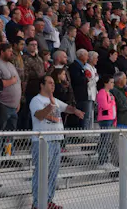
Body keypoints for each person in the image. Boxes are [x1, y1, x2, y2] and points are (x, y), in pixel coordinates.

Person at [29, 75, 83, 209]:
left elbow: (66, 108)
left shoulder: (55, 100)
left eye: (54, 83)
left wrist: (75, 110)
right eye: (50, 83)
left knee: (53, 173)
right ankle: (37, 203)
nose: (53, 85)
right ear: (42, 85)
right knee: (41, 173)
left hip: (56, 140)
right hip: (43, 142)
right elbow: (39, 115)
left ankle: (48, 201)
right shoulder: (36, 100)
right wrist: (51, 106)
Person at [96, 74, 116, 171]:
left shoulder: (110, 94)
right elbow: (105, 106)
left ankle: (105, 160)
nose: (113, 84)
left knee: (107, 141)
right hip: (104, 119)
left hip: (110, 118)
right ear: (105, 83)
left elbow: (113, 108)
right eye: (111, 82)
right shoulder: (102, 92)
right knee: (104, 141)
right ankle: (102, 161)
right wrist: (111, 102)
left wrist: (114, 119)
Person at [69, 49, 92, 130]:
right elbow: (76, 79)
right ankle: (77, 135)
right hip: (78, 96)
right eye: (86, 55)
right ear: (81, 56)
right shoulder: (74, 66)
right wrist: (86, 78)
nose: (88, 57)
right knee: (78, 117)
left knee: (84, 117)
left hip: (83, 96)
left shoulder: (82, 66)